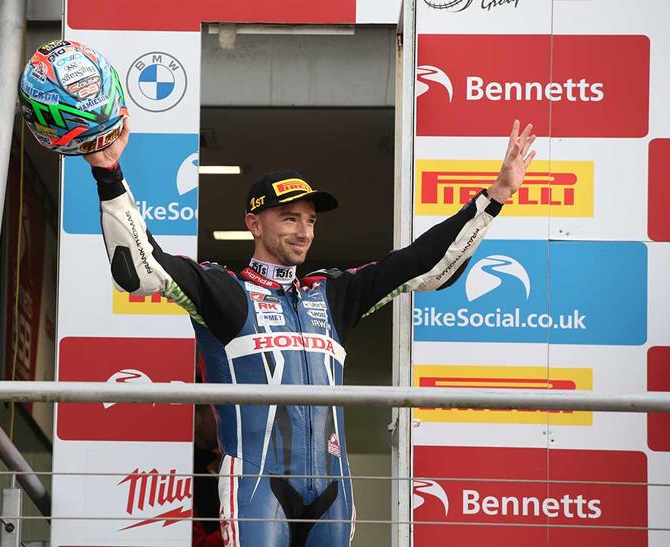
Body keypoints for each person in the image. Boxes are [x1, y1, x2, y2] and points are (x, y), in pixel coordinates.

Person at [84, 118, 536, 546]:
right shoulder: (225, 291)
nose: (304, 232)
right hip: (256, 490)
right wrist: (109, 173)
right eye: (290, 219)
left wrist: (494, 197)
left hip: (333, 495)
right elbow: (141, 268)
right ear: (254, 224)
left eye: (311, 220)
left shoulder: (334, 294)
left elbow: (424, 265)